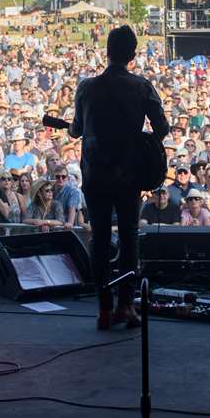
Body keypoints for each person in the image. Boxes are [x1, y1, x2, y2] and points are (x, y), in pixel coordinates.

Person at [69, 26, 170, 330]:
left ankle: (103, 308)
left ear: (107, 51)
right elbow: (162, 128)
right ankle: (125, 305)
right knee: (129, 238)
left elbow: (76, 129)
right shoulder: (141, 87)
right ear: (133, 55)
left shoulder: (86, 87)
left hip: (95, 176)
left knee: (99, 238)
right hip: (129, 176)